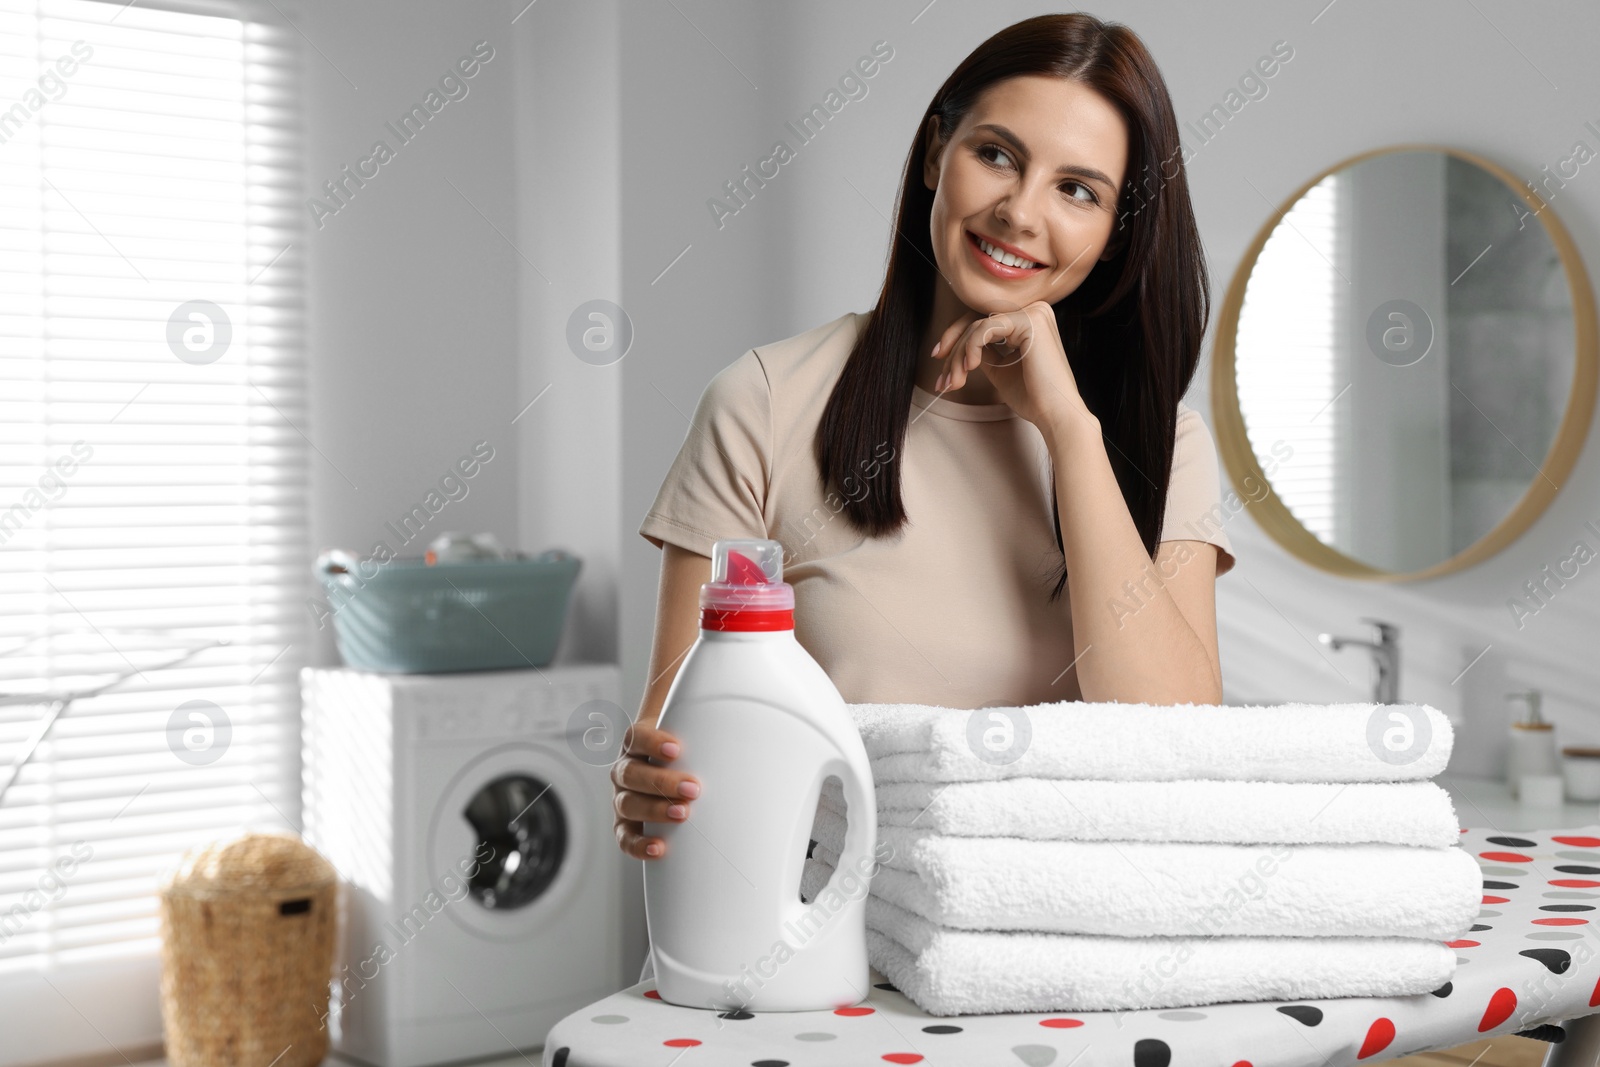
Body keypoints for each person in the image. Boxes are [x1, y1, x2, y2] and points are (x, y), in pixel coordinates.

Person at [614, 12, 1237, 862]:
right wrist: (654, 782)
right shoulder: (761, 404)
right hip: (820, 944)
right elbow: (681, 752)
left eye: (1078, 190)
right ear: (937, 150)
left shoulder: (1162, 445)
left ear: (1117, 231)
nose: (1020, 213)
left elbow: (1181, 755)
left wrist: (1069, 431)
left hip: (1074, 956)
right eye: (998, 155)